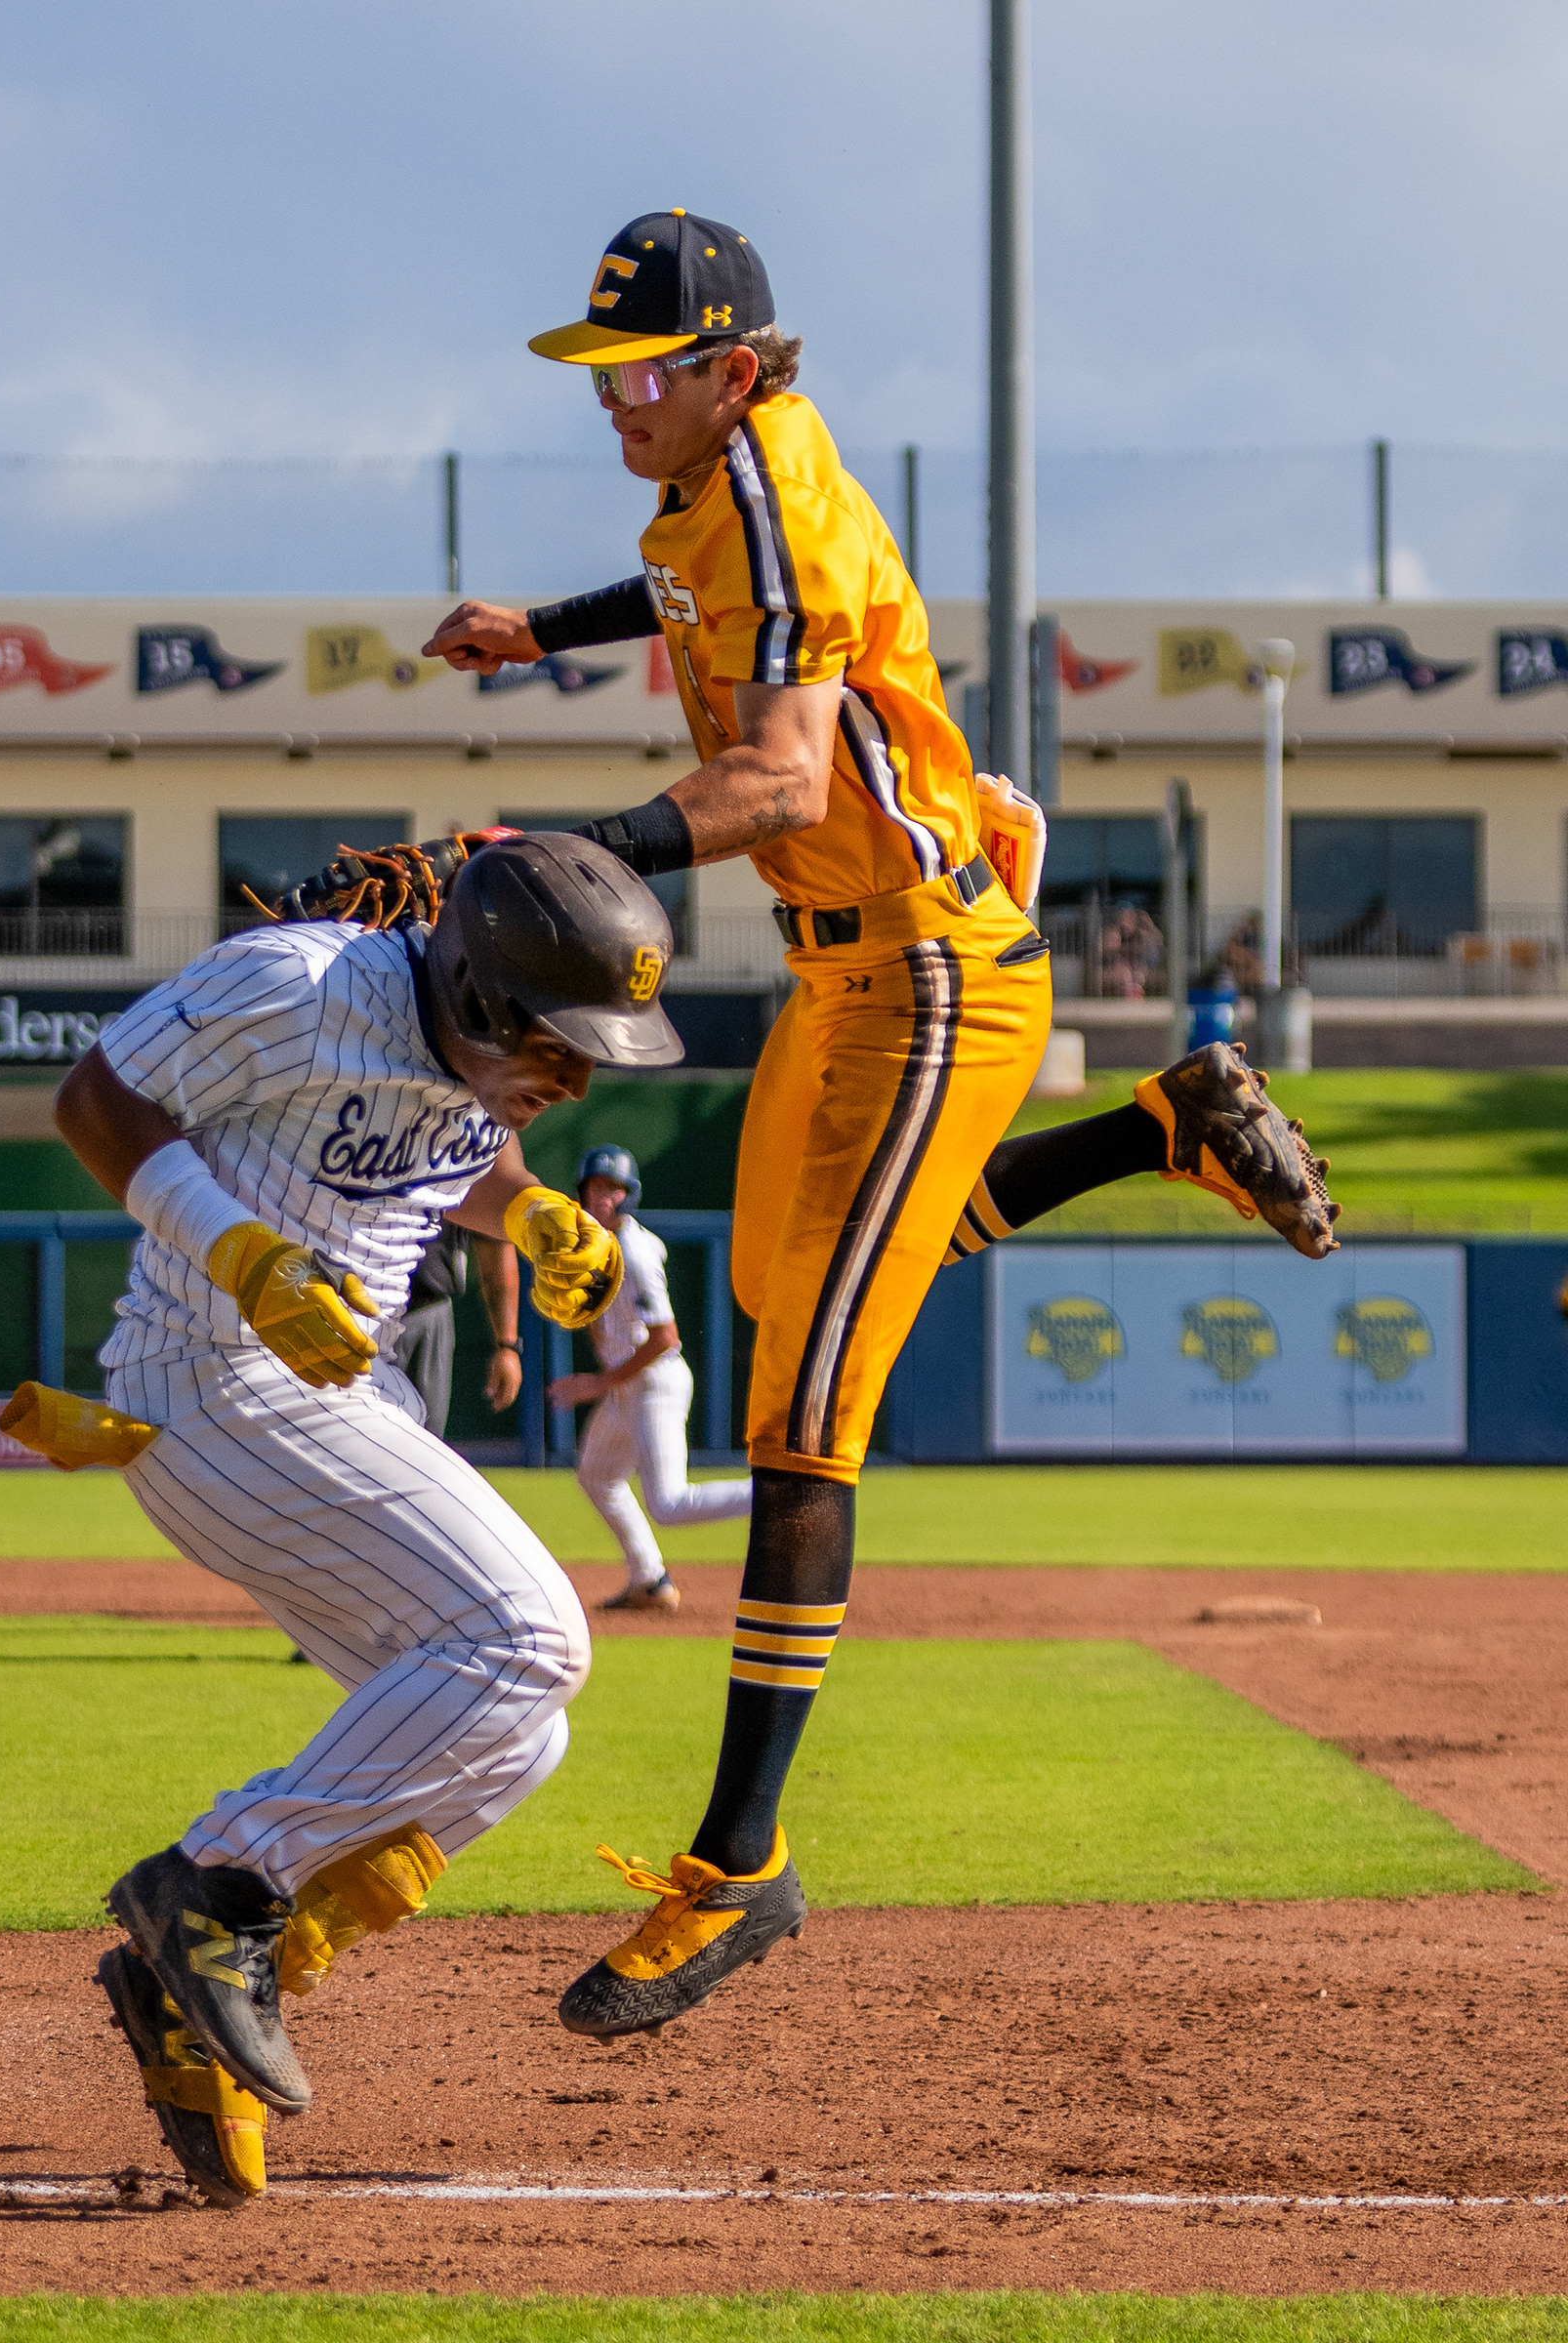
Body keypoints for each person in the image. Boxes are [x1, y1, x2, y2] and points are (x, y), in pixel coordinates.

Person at [419, 209, 1341, 2041]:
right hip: (847, 977)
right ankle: (1163, 1128)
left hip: (927, 969)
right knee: (782, 1290)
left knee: (806, 1414)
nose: (619, 398)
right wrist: (546, 629)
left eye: (650, 368)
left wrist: (535, 856)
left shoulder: (759, 484)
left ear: (740, 372)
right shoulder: (722, 487)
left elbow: (775, 781)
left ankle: (736, 1863)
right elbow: (704, 609)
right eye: (604, 370)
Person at [39, 830, 681, 2203]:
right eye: (562, 1042)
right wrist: (242, 1253)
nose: (574, 1075)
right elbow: (97, 1102)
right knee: (531, 1637)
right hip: (207, 1381)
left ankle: (203, 1991)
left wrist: (531, 1213)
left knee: (522, 1737)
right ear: (478, 989)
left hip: (339, 1390)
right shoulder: (297, 984)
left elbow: (444, 1152)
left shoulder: (474, 1061)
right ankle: (214, 1884)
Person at [551, 1143, 751, 1614]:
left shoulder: (634, 1253)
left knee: (670, 1504)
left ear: (629, 1196)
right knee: (597, 1476)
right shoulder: (595, 1246)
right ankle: (650, 1580)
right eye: (594, 1188)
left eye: (613, 1189)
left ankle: (776, 1494)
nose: (602, 1198)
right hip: (627, 1386)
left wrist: (599, 1384)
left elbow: (665, 1337)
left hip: (655, 1383)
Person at [392, 1226, 521, 1438]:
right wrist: (507, 1347)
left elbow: (495, 1245)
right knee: (420, 1447)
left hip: (424, 1312)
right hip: (359, 1306)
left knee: (422, 1445)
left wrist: (507, 1345)